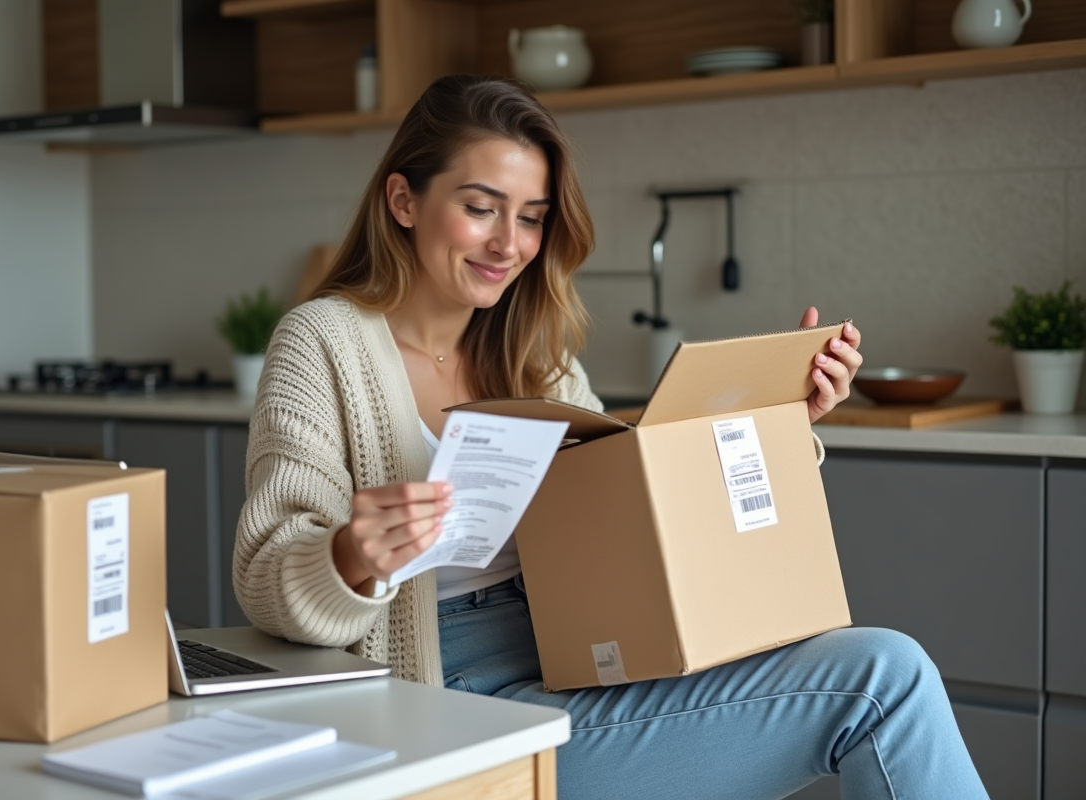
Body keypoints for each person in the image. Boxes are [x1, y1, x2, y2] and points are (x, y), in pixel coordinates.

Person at [233, 74, 989, 799]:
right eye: (481, 208)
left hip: (583, 660)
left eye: (531, 217)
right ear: (404, 199)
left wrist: (779, 424)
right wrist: (352, 555)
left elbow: (645, 517)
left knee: (884, 668)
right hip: (444, 686)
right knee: (882, 684)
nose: (508, 244)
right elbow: (265, 577)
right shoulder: (323, 342)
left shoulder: (536, 356)